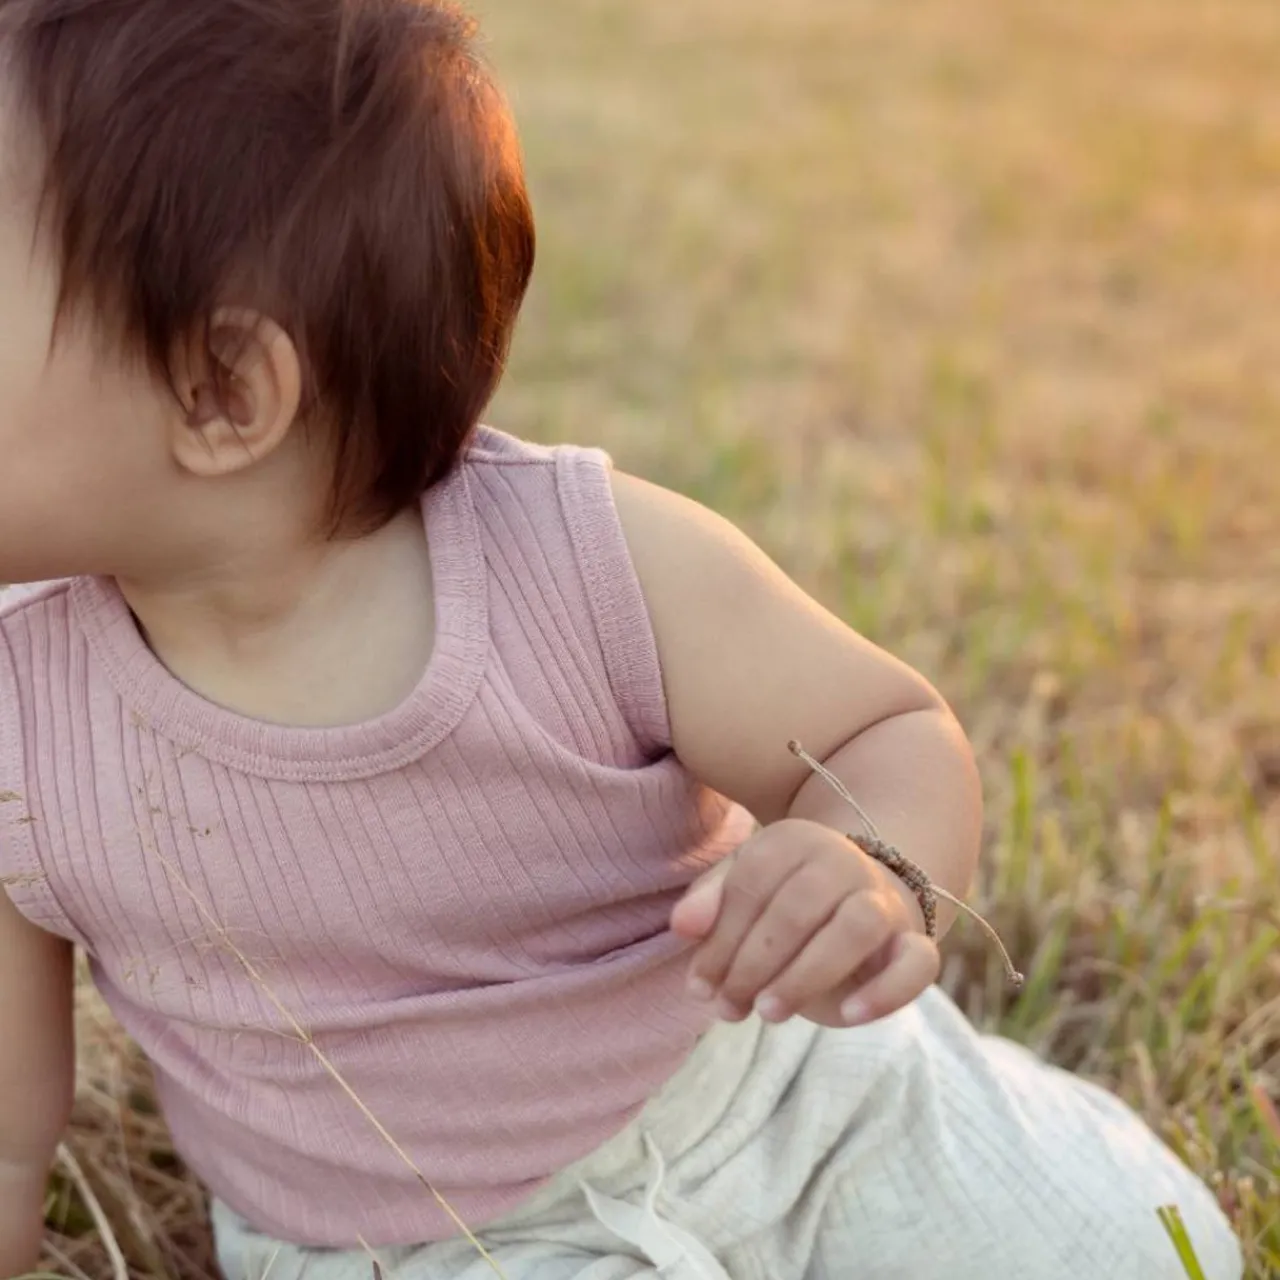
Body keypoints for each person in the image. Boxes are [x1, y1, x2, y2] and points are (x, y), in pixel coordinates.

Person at [0, 2, 1243, 1278]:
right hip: (418, 1243)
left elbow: (885, 724)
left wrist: (867, 862)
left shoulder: (581, 566)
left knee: (1135, 1248)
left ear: (222, 390)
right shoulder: (19, 710)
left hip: (782, 1103)